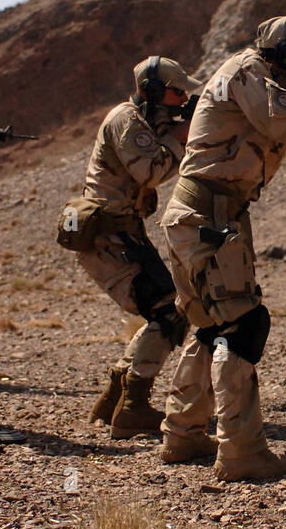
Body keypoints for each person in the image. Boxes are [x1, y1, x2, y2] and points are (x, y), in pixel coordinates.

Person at [160, 15, 286, 479]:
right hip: (209, 217)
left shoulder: (259, 80)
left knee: (210, 325)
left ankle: (183, 433)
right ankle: (241, 451)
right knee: (242, 326)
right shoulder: (249, 74)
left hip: (205, 214)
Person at [71, 57, 201, 441]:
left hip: (124, 235)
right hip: (110, 237)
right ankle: (133, 406)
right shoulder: (126, 120)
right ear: (154, 90)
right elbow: (150, 172)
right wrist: (179, 138)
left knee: (167, 308)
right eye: (177, 92)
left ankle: (117, 396)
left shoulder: (142, 121)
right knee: (168, 311)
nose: (181, 100)